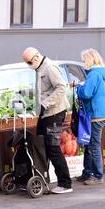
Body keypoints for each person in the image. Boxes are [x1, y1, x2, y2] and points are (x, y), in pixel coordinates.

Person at [22, 47, 72, 194]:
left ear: (36, 58)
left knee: (53, 147)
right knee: (43, 146)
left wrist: (46, 103)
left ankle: (65, 183)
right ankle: (44, 179)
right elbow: (43, 91)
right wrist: (25, 93)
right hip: (46, 114)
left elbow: (62, 88)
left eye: (29, 62)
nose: (28, 65)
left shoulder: (49, 67)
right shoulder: (39, 68)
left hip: (54, 113)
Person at [76, 49, 105, 185]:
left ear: (90, 60)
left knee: (93, 146)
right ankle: (87, 173)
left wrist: (78, 88)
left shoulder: (93, 74)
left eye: (84, 60)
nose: (84, 63)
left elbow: (86, 93)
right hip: (100, 113)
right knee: (89, 145)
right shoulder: (99, 73)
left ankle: (97, 175)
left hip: (96, 114)